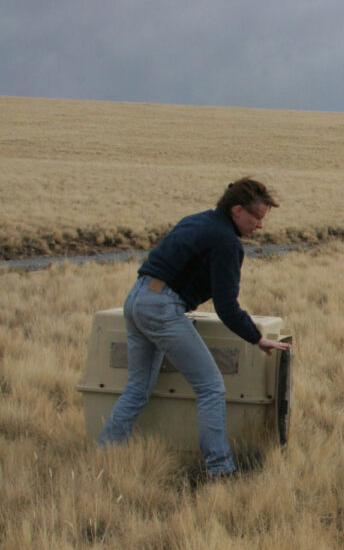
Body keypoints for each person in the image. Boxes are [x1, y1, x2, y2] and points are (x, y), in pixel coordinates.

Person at [97, 178, 291, 477]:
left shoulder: (198, 220)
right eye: (257, 218)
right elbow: (227, 307)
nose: (260, 226)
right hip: (162, 308)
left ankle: (104, 455)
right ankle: (220, 469)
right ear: (237, 210)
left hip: (136, 298)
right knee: (211, 387)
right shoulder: (227, 243)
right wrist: (257, 339)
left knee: (137, 388)